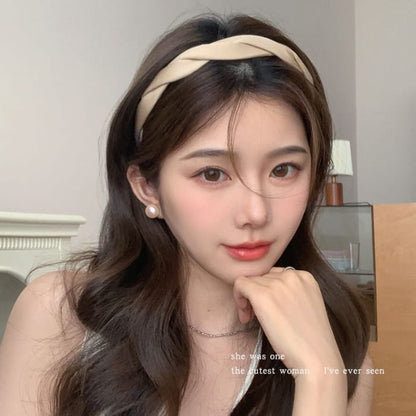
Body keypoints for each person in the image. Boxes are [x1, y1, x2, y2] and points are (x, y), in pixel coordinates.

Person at [0, 13, 374, 416]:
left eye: (283, 170)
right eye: (212, 174)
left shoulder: (339, 355)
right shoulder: (60, 317)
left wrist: (320, 378)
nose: (255, 212)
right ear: (147, 187)